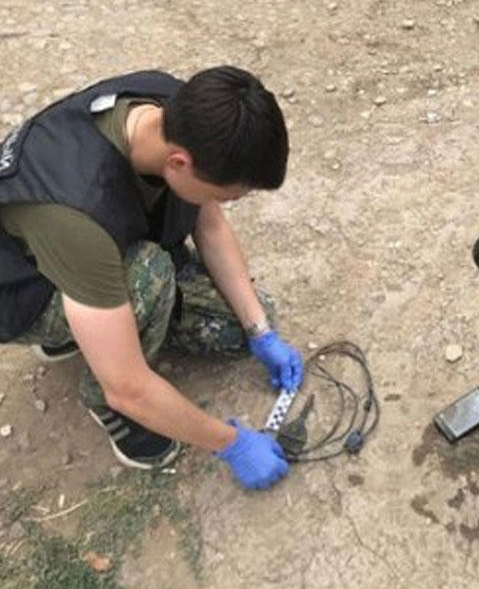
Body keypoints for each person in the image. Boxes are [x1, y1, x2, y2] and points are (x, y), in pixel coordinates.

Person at [0, 66, 304, 491]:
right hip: (19, 288)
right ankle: (96, 390)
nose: (223, 204)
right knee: (150, 275)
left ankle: (88, 321)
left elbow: (209, 227)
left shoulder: (177, 111)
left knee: (234, 328)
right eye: (223, 193)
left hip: (72, 247)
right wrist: (231, 443)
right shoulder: (78, 214)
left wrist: (260, 330)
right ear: (178, 163)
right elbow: (128, 387)